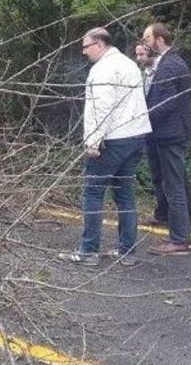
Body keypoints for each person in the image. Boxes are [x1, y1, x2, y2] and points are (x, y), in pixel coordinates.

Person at [58, 28, 151, 267]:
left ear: (99, 44)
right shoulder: (129, 64)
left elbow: (102, 107)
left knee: (92, 191)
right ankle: (127, 250)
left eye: (86, 46)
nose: (83, 51)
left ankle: (89, 250)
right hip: (135, 135)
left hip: (112, 138)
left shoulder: (102, 69)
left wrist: (93, 141)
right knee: (125, 194)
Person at [141, 23, 191, 256]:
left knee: (173, 184)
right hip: (168, 132)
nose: (144, 43)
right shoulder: (167, 63)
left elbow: (165, 104)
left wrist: (139, 117)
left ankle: (180, 239)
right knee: (177, 181)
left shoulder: (170, 65)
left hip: (170, 133)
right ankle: (181, 224)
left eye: (147, 38)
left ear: (159, 39)